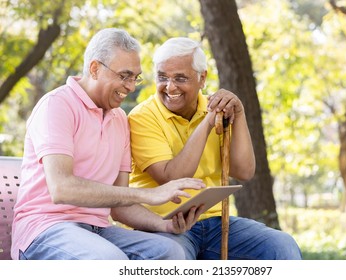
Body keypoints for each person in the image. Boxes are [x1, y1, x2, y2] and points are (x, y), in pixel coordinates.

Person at [11, 29, 206, 260]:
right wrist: (149, 194)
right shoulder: (57, 105)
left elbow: (119, 205)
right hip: (45, 228)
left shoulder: (120, 120)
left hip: (98, 229)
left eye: (135, 77)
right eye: (124, 76)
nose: (131, 86)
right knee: (109, 260)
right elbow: (62, 188)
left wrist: (165, 226)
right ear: (95, 69)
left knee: (171, 252)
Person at [128, 37, 302, 260]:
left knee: (281, 245)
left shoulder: (218, 110)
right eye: (162, 77)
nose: (170, 87)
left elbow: (244, 171)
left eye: (180, 78)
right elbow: (172, 177)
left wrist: (239, 114)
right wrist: (207, 123)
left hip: (216, 222)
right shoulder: (142, 117)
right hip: (165, 224)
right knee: (173, 256)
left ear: (202, 78)